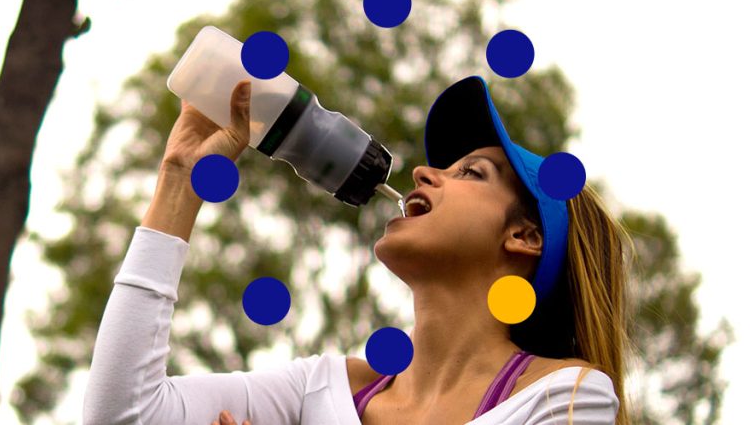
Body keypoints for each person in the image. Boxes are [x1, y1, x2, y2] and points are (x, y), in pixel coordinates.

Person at [83, 76, 634, 425]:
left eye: (471, 172)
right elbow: (122, 416)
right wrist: (181, 179)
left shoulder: (567, 397)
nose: (422, 172)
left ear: (524, 237)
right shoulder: (322, 390)